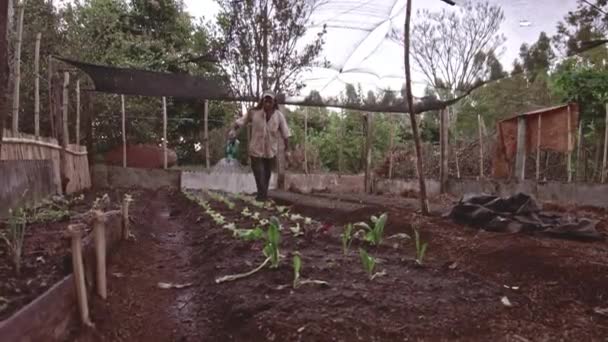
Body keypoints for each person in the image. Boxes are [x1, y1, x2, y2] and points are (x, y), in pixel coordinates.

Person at [228, 91, 291, 201]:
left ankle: (261, 199)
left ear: (274, 102)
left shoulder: (278, 116)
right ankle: (261, 199)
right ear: (262, 101)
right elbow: (240, 122)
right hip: (255, 151)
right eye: (265, 100)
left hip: (270, 152)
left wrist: (287, 150)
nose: (267, 102)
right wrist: (233, 130)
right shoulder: (254, 113)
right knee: (260, 177)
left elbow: (286, 133)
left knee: (266, 178)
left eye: (269, 100)